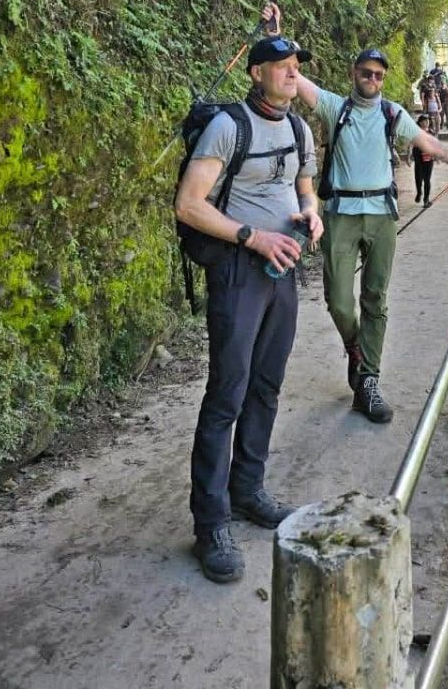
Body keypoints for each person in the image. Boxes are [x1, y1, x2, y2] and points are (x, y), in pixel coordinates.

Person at [261, 2, 448, 424]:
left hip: (381, 214)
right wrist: (274, 35)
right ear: (354, 75)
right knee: (340, 300)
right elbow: (292, 76)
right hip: (341, 213)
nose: (373, 80)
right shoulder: (332, 107)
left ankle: (368, 381)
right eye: (366, 73)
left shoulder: (391, 113)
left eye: (379, 75)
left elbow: (425, 142)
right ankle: (356, 348)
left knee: (376, 299)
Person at [174, 35, 324, 584]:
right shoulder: (227, 126)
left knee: (266, 385)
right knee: (227, 394)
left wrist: (311, 215)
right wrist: (252, 237)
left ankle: (247, 490)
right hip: (240, 270)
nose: (291, 74)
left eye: (295, 67)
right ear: (256, 73)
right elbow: (189, 205)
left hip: (284, 269)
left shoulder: (299, 128)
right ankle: (210, 522)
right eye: (281, 67)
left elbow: (306, 190)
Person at [411, 115, 435, 206]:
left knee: (427, 179)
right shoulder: (416, 132)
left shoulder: (431, 132)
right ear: (420, 123)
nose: (427, 122)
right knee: (418, 178)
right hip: (418, 157)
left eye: (428, 120)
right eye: (425, 120)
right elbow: (412, 143)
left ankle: (426, 199)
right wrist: (409, 156)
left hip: (429, 158)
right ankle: (419, 193)